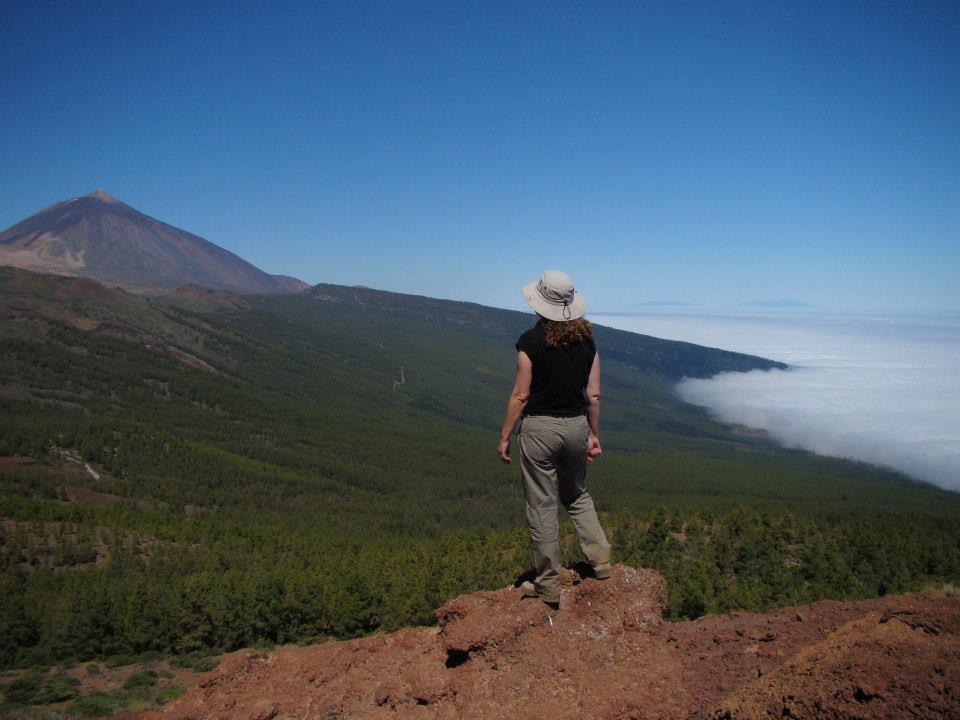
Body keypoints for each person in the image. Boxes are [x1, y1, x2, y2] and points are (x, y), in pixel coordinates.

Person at [498, 270, 612, 607]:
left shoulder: (530, 342)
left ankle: (548, 586)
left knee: (542, 505)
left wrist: (505, 436)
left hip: (540, 430)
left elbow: (521, 395)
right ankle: (601, 561)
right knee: (576, 494)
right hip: (576, 426)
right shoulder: (588, 343)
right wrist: (593, 433)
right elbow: (594, 395)